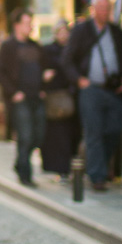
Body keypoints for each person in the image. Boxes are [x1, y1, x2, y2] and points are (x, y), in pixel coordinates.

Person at [61, 0, 122, 191]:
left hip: (113, 90)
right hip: (90, 89)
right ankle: (97, 176)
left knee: (114, 130)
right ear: (93, 10)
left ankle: (101, 166)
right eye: (101, 8)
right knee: (93, 132)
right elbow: (67, 60)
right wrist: (78, 80)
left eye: (107, 9)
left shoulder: (117, 32)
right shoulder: (81, 31)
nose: (104, 12)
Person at [0, 7, 47, 187]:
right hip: (19, 99)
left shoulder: (35, 45)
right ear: (17, 25)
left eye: (31, 22)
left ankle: (19, 163)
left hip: (36, 97)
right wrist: (12, 92)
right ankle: (25, 174)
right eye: (27, 23)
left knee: (38, 136)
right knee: (25, 135)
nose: (30, 26)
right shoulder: (8, 46)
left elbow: (43, 67)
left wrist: (43, 85)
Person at [40, 19, 78, 180]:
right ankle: (56, 167)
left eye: (65, 31)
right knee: (54, 134)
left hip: (70, 97)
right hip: (53, 97)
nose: (63, 35)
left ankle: (67, 167)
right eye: (60, 32)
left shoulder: (73, 50)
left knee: (70, 134)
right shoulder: (47, 50)